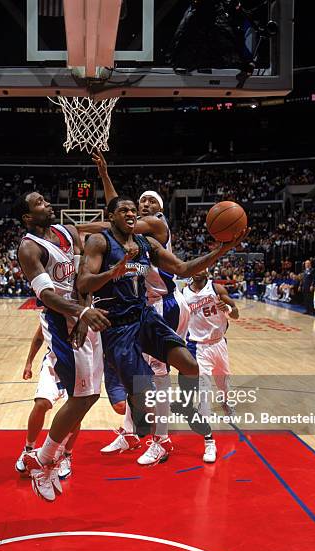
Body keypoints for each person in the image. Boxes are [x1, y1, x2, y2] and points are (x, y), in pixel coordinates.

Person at [77, 196, 248, 466]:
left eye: (133, 209)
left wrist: (223, 249)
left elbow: (182, 268)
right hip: (117, 326)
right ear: (111, 217)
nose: (132, 213)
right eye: (124, 210)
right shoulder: (100, 242)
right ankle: (153, 435)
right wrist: (113, 273)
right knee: (146, 396)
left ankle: (178, 417)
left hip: (144, 315)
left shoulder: (146, 243)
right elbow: (84, 283)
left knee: (190, 366)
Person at [86, 151, 192, 466]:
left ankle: (162, 439)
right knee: (137, 372)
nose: (144, 204)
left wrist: (73, 228)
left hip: (164, 304)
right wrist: (105, 175)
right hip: (143, 305)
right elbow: (117, 211)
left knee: (156, 375)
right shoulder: (133, 226)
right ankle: (131, 431)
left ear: (160, 209)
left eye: (150, 201)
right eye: (141, 201)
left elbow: (115, 218)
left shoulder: (156, 225)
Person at [14, 192, 110, 502]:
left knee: (91, 396)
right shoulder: (29, 248)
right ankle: (43, 461)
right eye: (39, 203)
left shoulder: (67, 232)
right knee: (79, 397)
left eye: (45, 200)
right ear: (28, 217)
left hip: (84, 314)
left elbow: (83, 276)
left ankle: (47, 457)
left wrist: (85, 309)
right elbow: (47, 297)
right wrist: (80, 313)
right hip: (62, 324)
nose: (48, 204)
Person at [15, 324, 75, 480]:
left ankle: (65, 456)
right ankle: (29, 449)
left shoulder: (87, 306)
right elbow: (40, 336)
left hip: (80, 363)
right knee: (42, 403)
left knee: (75, 411)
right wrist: (29, 362)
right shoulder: (53, 306)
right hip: (54, 362)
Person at [183, 270, 239, 425]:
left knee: (223, 381)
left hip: (219, 342)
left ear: (207, 272)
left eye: (202, 267)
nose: (198, 270)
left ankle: (228, 406)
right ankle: (204, 414)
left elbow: (236, 314)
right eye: (196, 267)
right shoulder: (183, 293)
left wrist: (227, 308)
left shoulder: (216, 289)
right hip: (199, 345)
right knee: (203, 383)